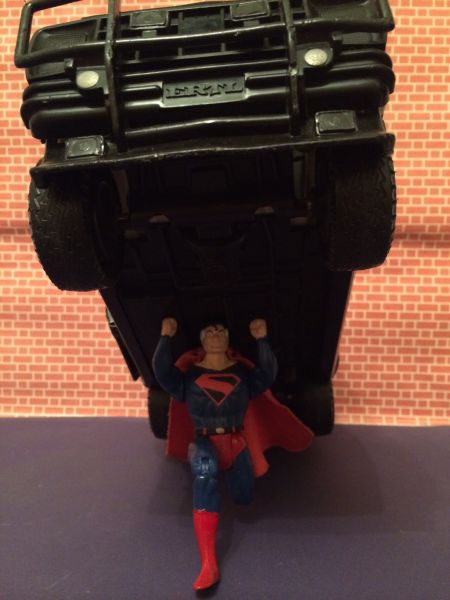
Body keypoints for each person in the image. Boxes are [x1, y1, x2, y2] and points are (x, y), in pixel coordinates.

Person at [152, 317, 313, 590]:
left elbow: (267, 375)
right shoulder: (189, 378)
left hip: (237, 442)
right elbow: (163, 373)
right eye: (210, 331)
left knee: (243, 496)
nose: (216, 334)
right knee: (204, 475)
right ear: (202, 340)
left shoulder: (241, 374)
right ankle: (208, 563)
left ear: (228, 339)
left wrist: (261, 339)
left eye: (220, 331)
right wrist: (165, 337)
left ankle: (238, 491)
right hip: (204, 441)